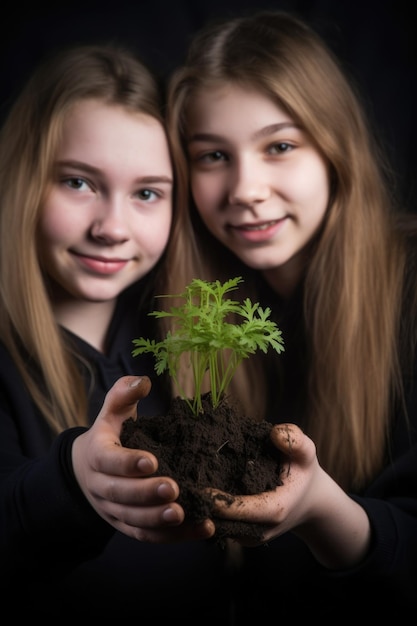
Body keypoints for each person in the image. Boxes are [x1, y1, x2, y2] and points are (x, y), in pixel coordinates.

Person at [165, 10, 417, 620]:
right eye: (212, 156)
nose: (246, 188)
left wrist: (324, 511)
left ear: (335, 147)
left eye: (279, 146)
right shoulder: (191, 306)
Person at [0, 43, 233, 622]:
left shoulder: (184, 340)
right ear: (22, 179)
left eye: (147, 193)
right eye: (78, 183)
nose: (111, 228)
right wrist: (73, 480)